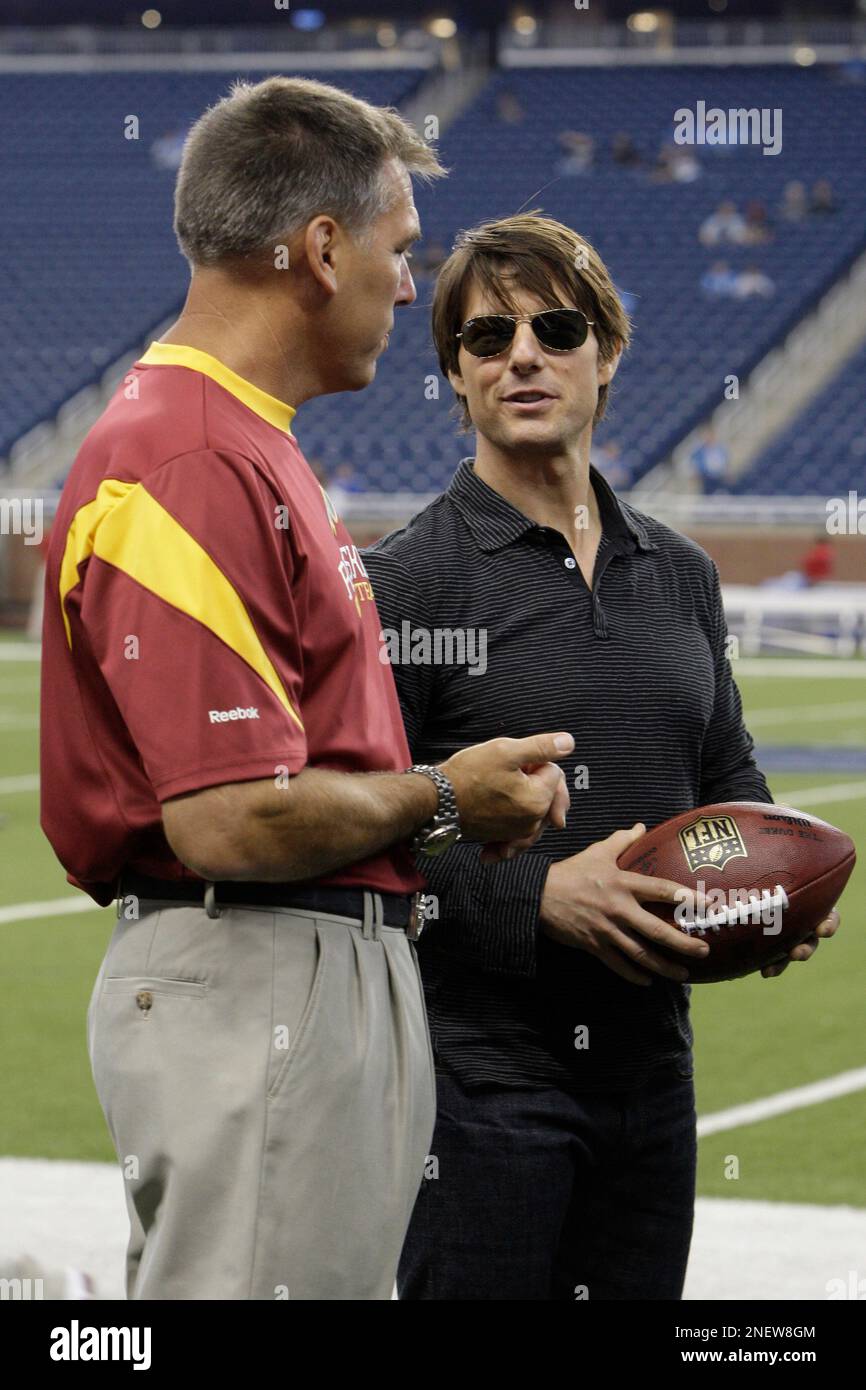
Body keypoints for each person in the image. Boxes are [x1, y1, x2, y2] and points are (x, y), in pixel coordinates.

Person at [39, 78, 573, 1302]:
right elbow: (228, 816)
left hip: (285, 966)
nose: (406, 286)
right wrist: (445, 792)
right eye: (397, 250)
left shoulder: (231, 437)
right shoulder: (194, 458)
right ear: (319, 250)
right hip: (260, 966)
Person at [364, 212, 839, 1301]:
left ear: (607, 351)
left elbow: (725, 774)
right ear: (453, 373)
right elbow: (357, 838)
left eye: (556, 326)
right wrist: (536, 895)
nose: (522, 354)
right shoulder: (405, 584)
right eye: (486, 338)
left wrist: (771, 881)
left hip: (650, 1076)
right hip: (473, 1090)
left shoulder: (679, 571)